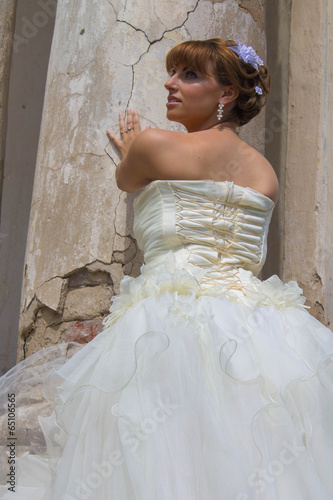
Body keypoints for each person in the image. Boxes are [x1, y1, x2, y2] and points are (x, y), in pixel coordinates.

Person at [1, 38, 333, 499]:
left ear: (227, 95)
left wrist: (136, 147)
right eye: (173, 72)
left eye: (189, 75)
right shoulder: (265, 173)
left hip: (167, 321)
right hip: (261, 328)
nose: (169, 83)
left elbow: (127, 178)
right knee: (246, 447)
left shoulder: (154, 145)